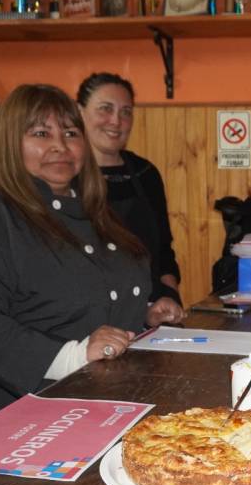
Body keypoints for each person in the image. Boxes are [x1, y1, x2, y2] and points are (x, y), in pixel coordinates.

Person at [0, 84, 151, 441]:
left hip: (103, 413)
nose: (60, 146)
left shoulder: (95, 213)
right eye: (41, 133)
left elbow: (97, 292)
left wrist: (147, 308)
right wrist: (69, 357)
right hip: (10, 431)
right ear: (11, 143)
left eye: (71, 133)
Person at [77, 73, 184, 325]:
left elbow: (163, 252)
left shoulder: (145, 173)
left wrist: (171, 300)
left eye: (126, 112)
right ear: (80, 112)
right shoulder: (67, 177)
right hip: (90, 319)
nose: (116, 121)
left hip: (151, 313)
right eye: (105, 109)